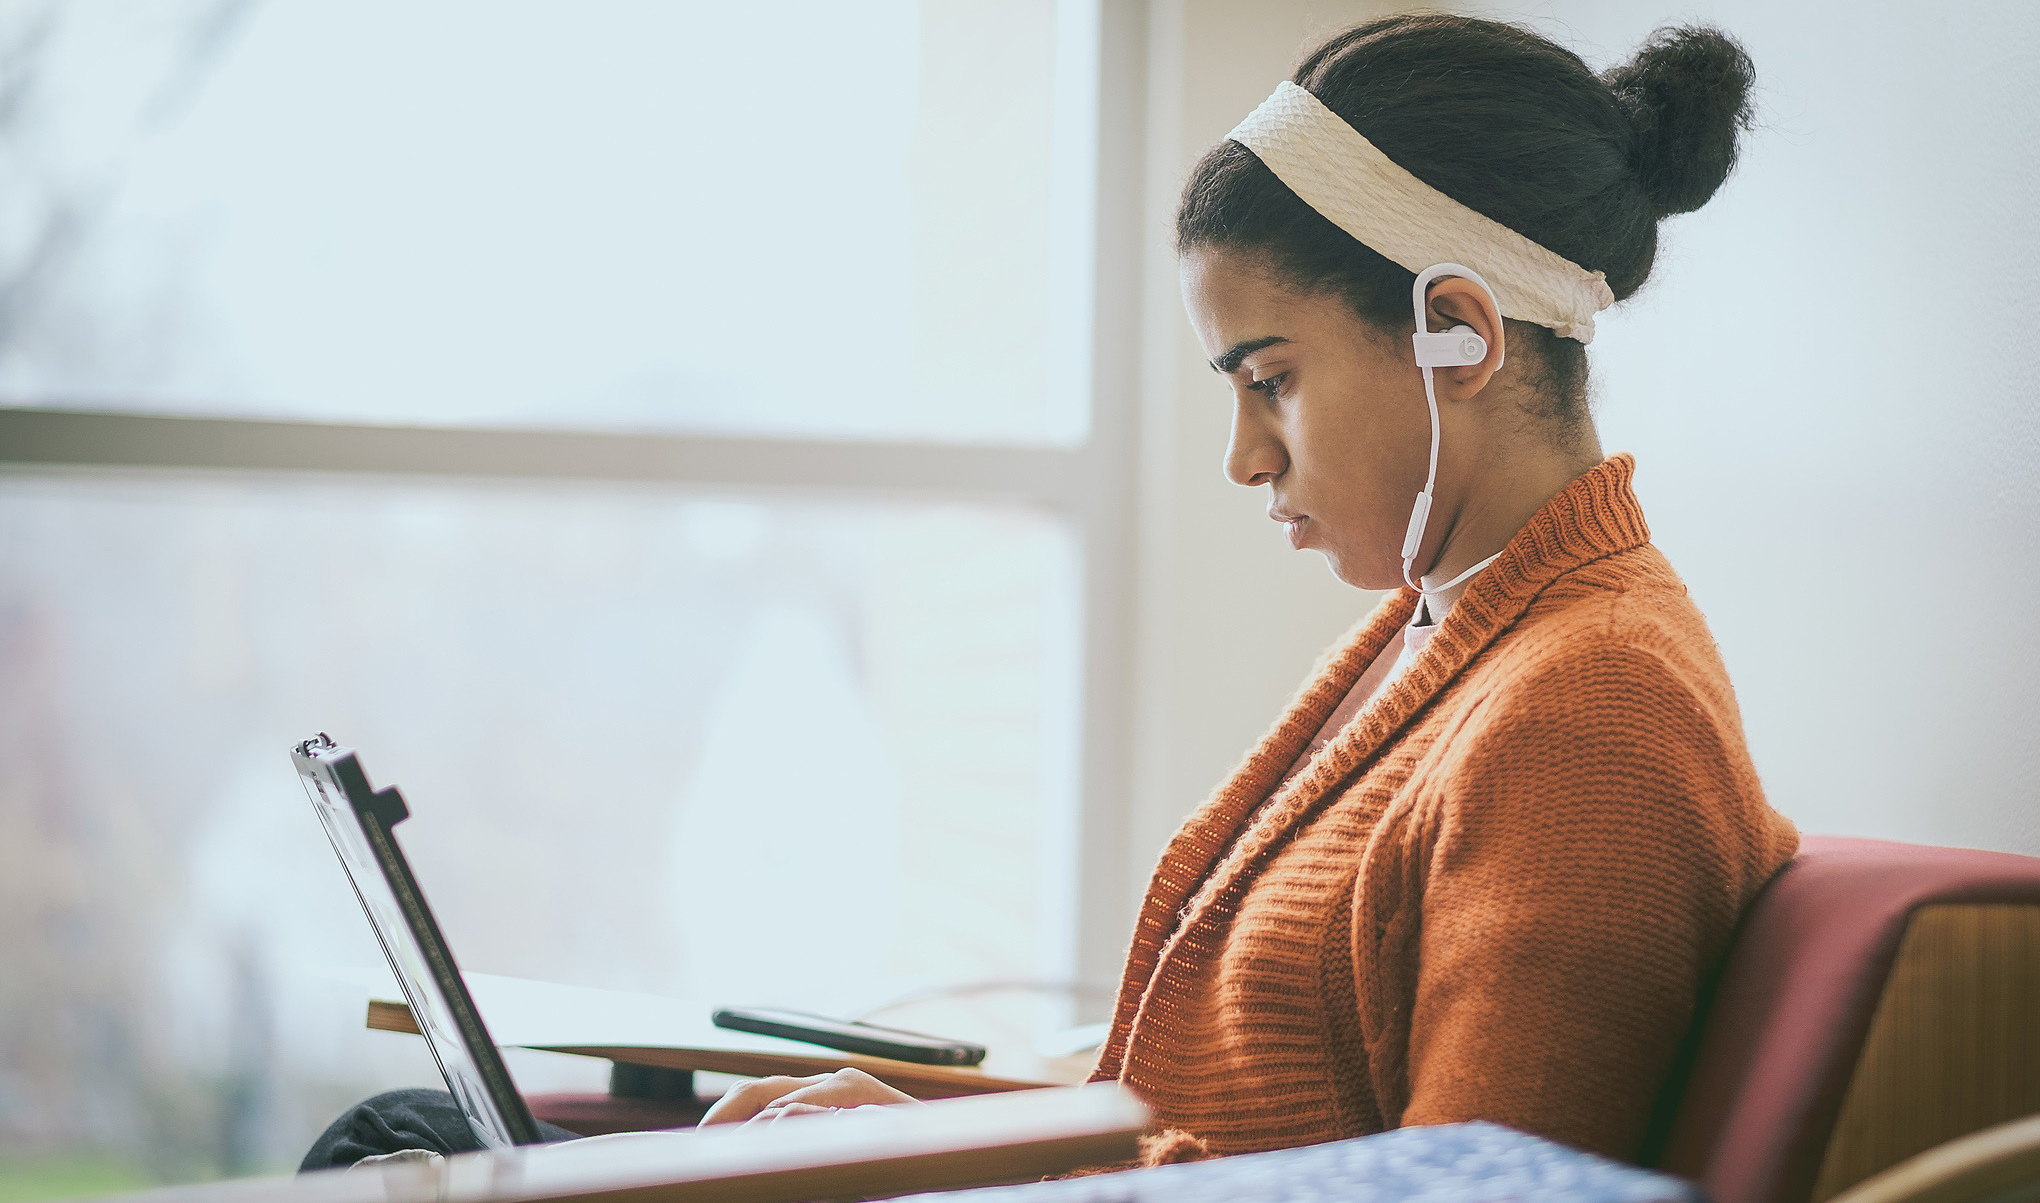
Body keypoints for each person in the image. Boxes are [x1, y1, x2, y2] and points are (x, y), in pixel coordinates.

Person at [304, 11, 1798, 1172]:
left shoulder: (1591, 709)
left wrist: (938, 1169)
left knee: (404, 1160)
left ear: (1456, 331)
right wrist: (897, 1125)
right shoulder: (1453, 638)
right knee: (407, 1144)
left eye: (1270, 379)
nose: (1243, 455)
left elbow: (1461, 1197)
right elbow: (1186, 1110)